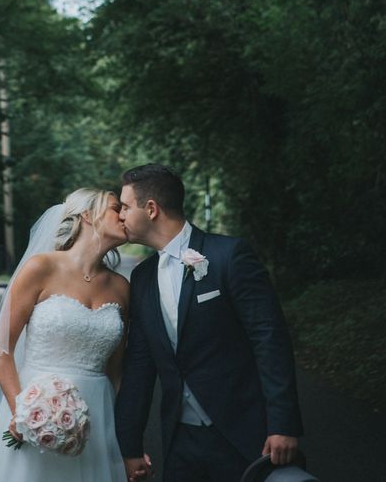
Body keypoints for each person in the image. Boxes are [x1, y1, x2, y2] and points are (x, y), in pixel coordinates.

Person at [115, 164, 304, 482]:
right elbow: (139, 366)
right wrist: (129, 446)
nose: (120, 214)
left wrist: (283, 424)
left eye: (124, 206)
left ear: (151, 208)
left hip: (244, 434)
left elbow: (269, 339)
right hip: (179, 443)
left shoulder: (229, 256)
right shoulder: (143, 278)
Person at [0, 188, 130, 482]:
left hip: (99, 417)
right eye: (115, 207)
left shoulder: (121, 287)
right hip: (35, 411)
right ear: (87, 215)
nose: (123, 214)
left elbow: (116, 370)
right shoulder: (41, 268)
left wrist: (119, 428)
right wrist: (22, 411)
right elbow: (2, 349)